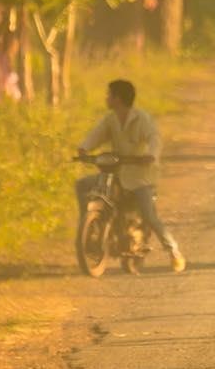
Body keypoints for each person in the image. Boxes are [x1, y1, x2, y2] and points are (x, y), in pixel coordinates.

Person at [76, 78, 186, 272]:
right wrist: (84, 148)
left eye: (109, 94)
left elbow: (154, 138)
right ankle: (89, 227)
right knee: (83, 185)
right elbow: (97, 134)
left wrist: (151, 155)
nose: (106, 98)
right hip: (116, 172)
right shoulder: (110, 119)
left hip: (140, 176)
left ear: (118, 98)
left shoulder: (141, 118)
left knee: (149, 215)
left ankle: (173, 251)